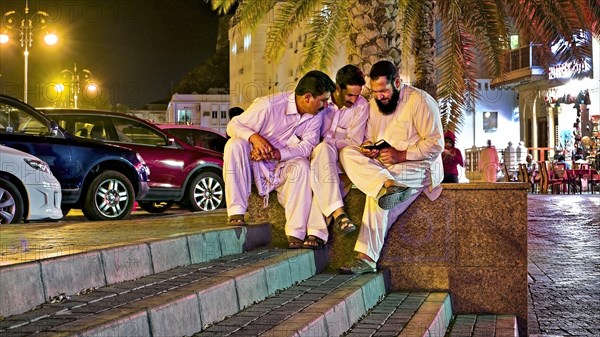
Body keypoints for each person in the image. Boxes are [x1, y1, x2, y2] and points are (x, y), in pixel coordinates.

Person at [338, 60, 444, 274]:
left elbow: (435, 143)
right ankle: (388, 184)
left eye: (384, 91)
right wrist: (369, 148)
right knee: (347, 153)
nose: (380, 96)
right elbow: (367, 138)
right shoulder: (373, 105)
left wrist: (402, 154)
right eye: (375, 92)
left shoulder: (420, 101)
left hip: (417, 167)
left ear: (397, 82)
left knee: (379, 193)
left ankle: (366, 257)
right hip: (383, 166)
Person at [223, 70, 336, 249]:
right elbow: (233, 125)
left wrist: (277, 153)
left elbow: (308, 146)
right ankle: (237, 212)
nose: (326, 105)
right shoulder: (268, 105)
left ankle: (296, 233)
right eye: (323, 100)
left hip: (283, 165)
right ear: (307, 98)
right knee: (234, 145)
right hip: (255, 164)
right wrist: (254, 137)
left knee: (302, 165)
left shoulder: (316, 115)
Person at [304, 65, 370, 249]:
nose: (354, 100)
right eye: (350, 95)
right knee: (323, 158)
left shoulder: (361, 106)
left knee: (324, 169)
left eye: (357, 95)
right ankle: (338, 215)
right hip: (312, 158)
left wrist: (327, 144)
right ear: (337, 88)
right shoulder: (321, 102)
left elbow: (353, 142)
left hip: (340, 161)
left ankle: (316, 233)